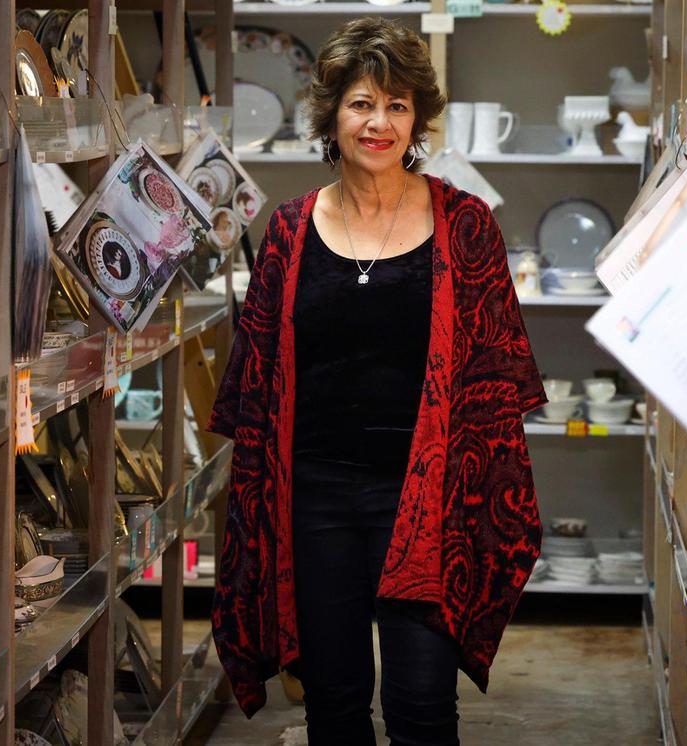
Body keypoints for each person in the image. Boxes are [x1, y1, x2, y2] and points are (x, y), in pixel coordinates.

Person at [207, 17, 546, 746]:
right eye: (362, 103)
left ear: (418, 117)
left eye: (397, 105)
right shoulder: (290, 231)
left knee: (422, 707)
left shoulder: (467, 227)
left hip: (427, 499)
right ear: (332, 113)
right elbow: (259, 389)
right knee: (334, 706)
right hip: (315, 498)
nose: (380, 123)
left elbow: (494, 380)